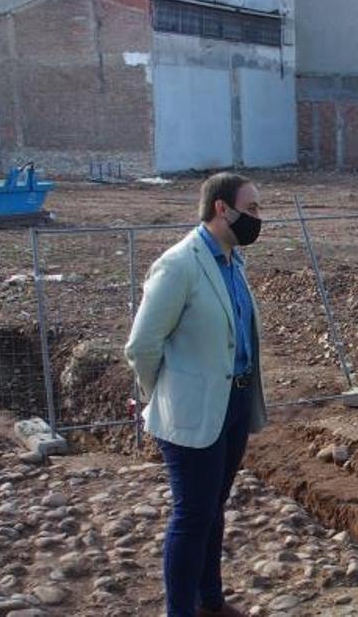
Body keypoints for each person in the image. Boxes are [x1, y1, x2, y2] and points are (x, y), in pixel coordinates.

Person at [125, 172, 268, 617]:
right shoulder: (179, 264)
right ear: (222, 209)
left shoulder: (232, 262)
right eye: (253, 207)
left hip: (234, 404)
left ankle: (211, 601)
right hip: (192, 413)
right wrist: (165, 395)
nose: (259, 217)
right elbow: (142, 345)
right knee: (191, 518)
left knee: (214, 508)